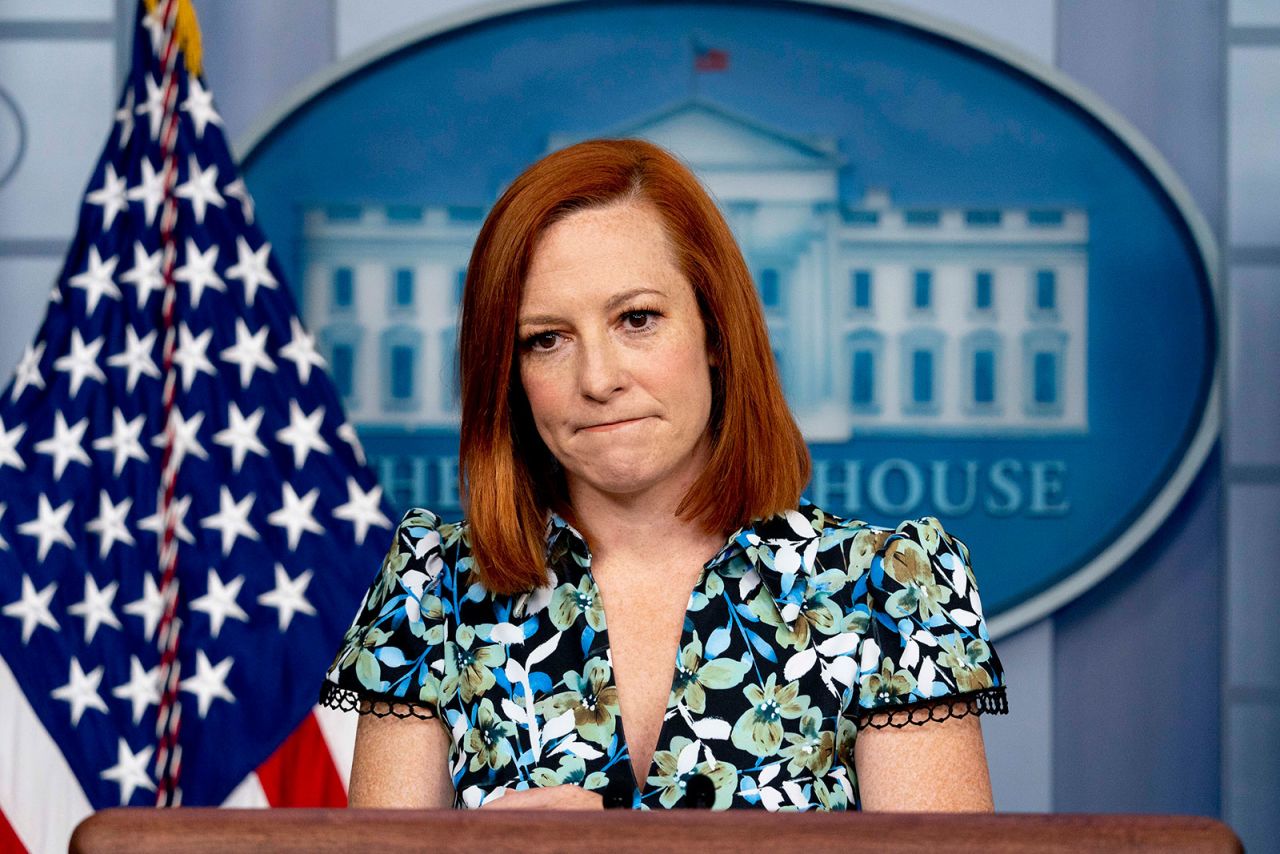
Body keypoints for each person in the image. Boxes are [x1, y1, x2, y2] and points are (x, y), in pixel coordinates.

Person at [319, 138, 1007, 811]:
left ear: (715, 332)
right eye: (546, 339)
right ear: (510, 373)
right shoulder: (432, 591)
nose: (597, 379)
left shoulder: (887, 589)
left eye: (637, 319)